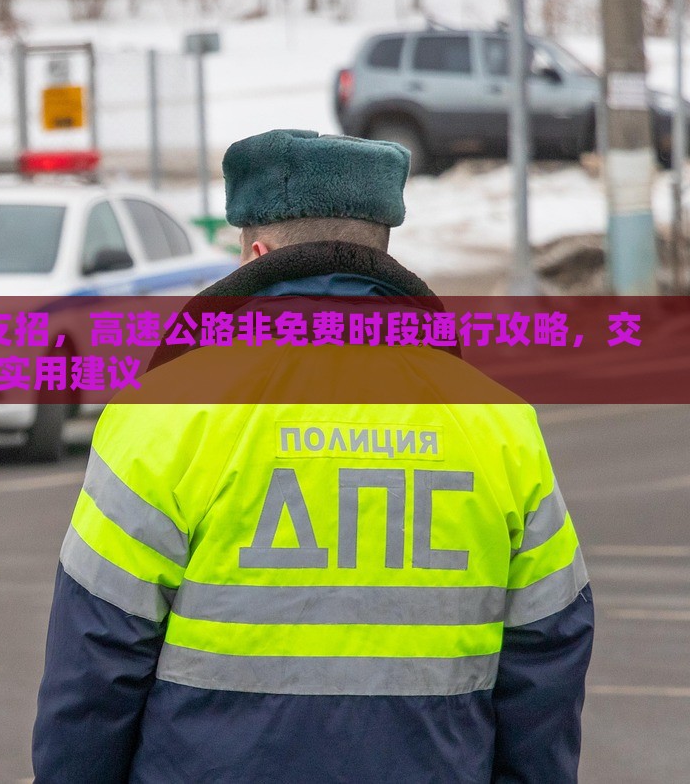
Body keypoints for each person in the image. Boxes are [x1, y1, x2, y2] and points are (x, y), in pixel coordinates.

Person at [32, 129, 593, 783]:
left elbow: (95, 663)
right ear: (380, 247)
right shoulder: (499, 424)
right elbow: (550, 649)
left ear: (258, 252)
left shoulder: (163, 415)